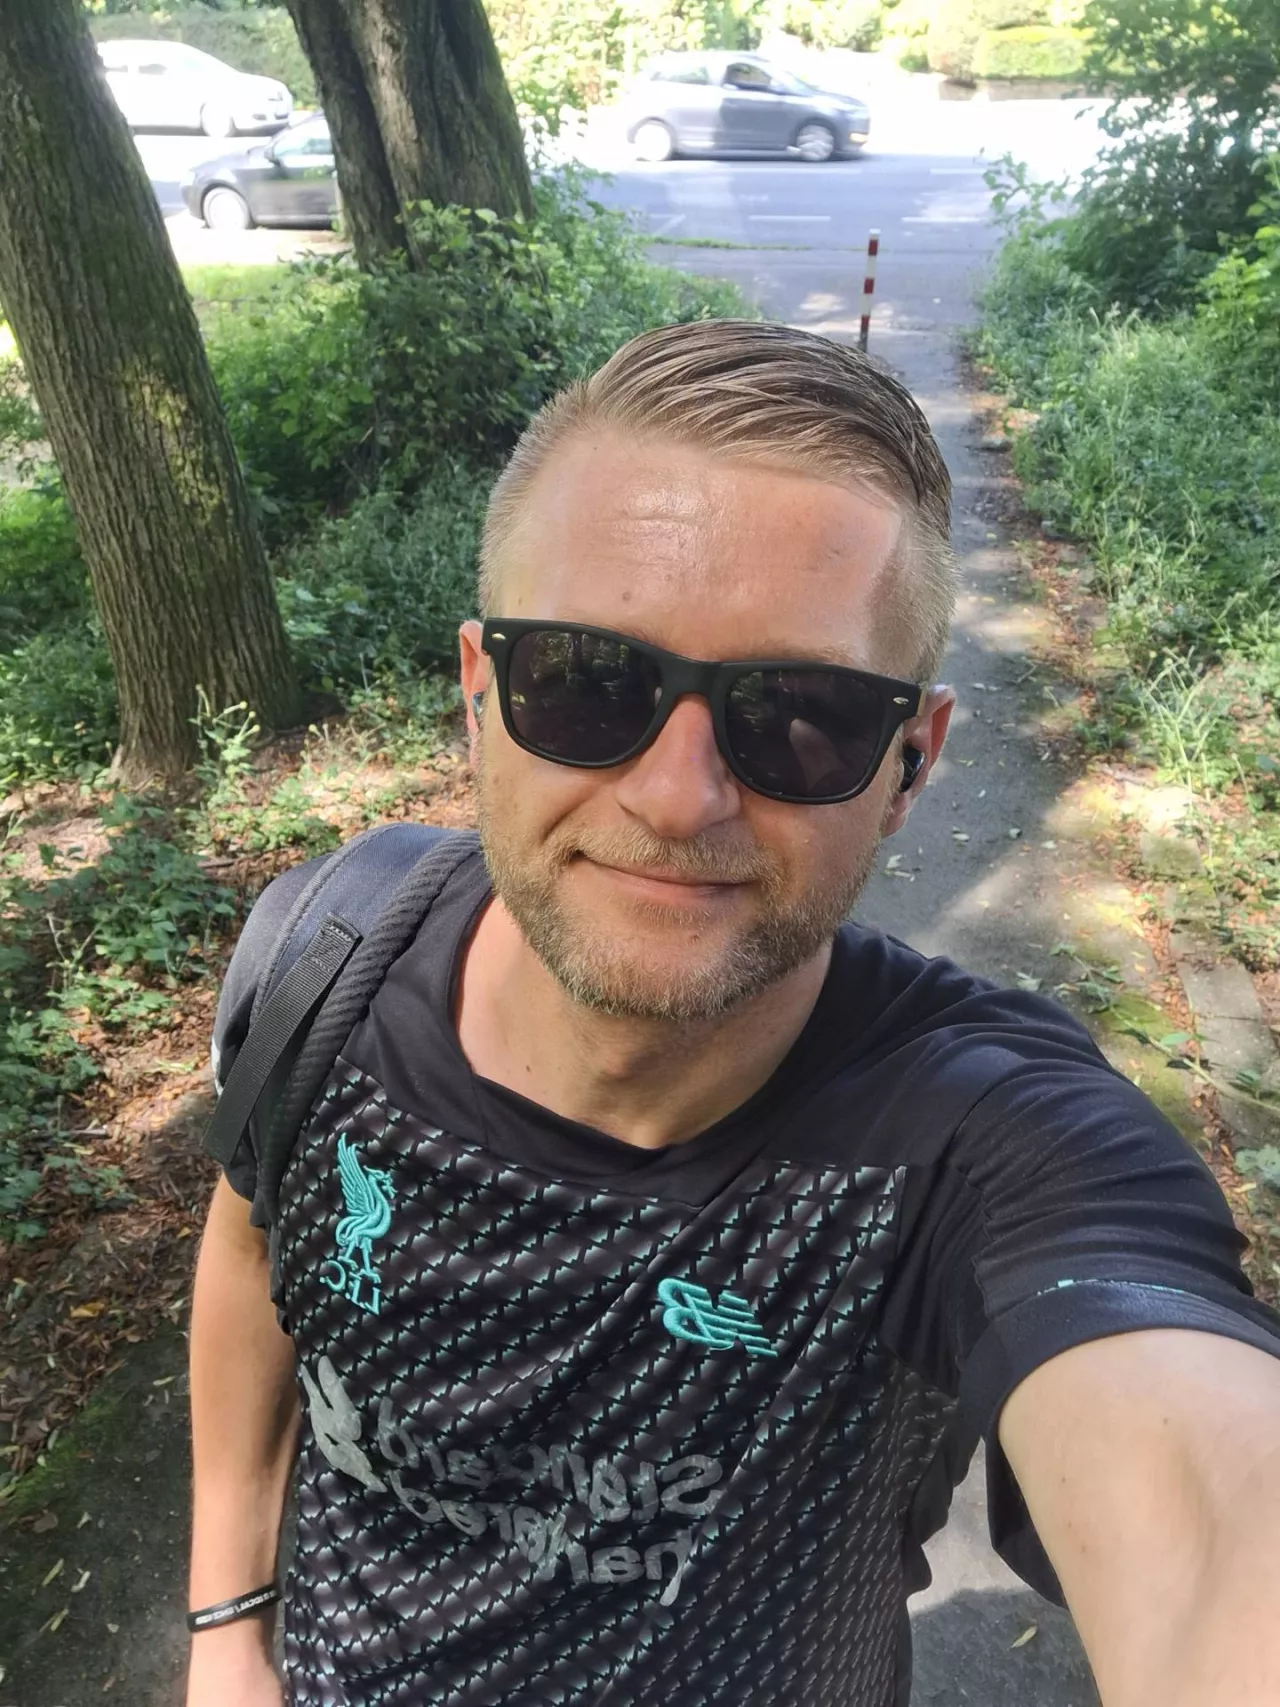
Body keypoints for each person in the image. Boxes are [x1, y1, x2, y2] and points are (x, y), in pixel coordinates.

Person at [186, 320, 1280, 1707]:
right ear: (479, 694)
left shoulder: (978, 1145)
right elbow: (252, 1243)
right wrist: (228, 1620)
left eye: (800, 713)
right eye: (587, 681)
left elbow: (1208, 1505)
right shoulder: (327, 959)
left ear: (909, 763)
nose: (677, 796)